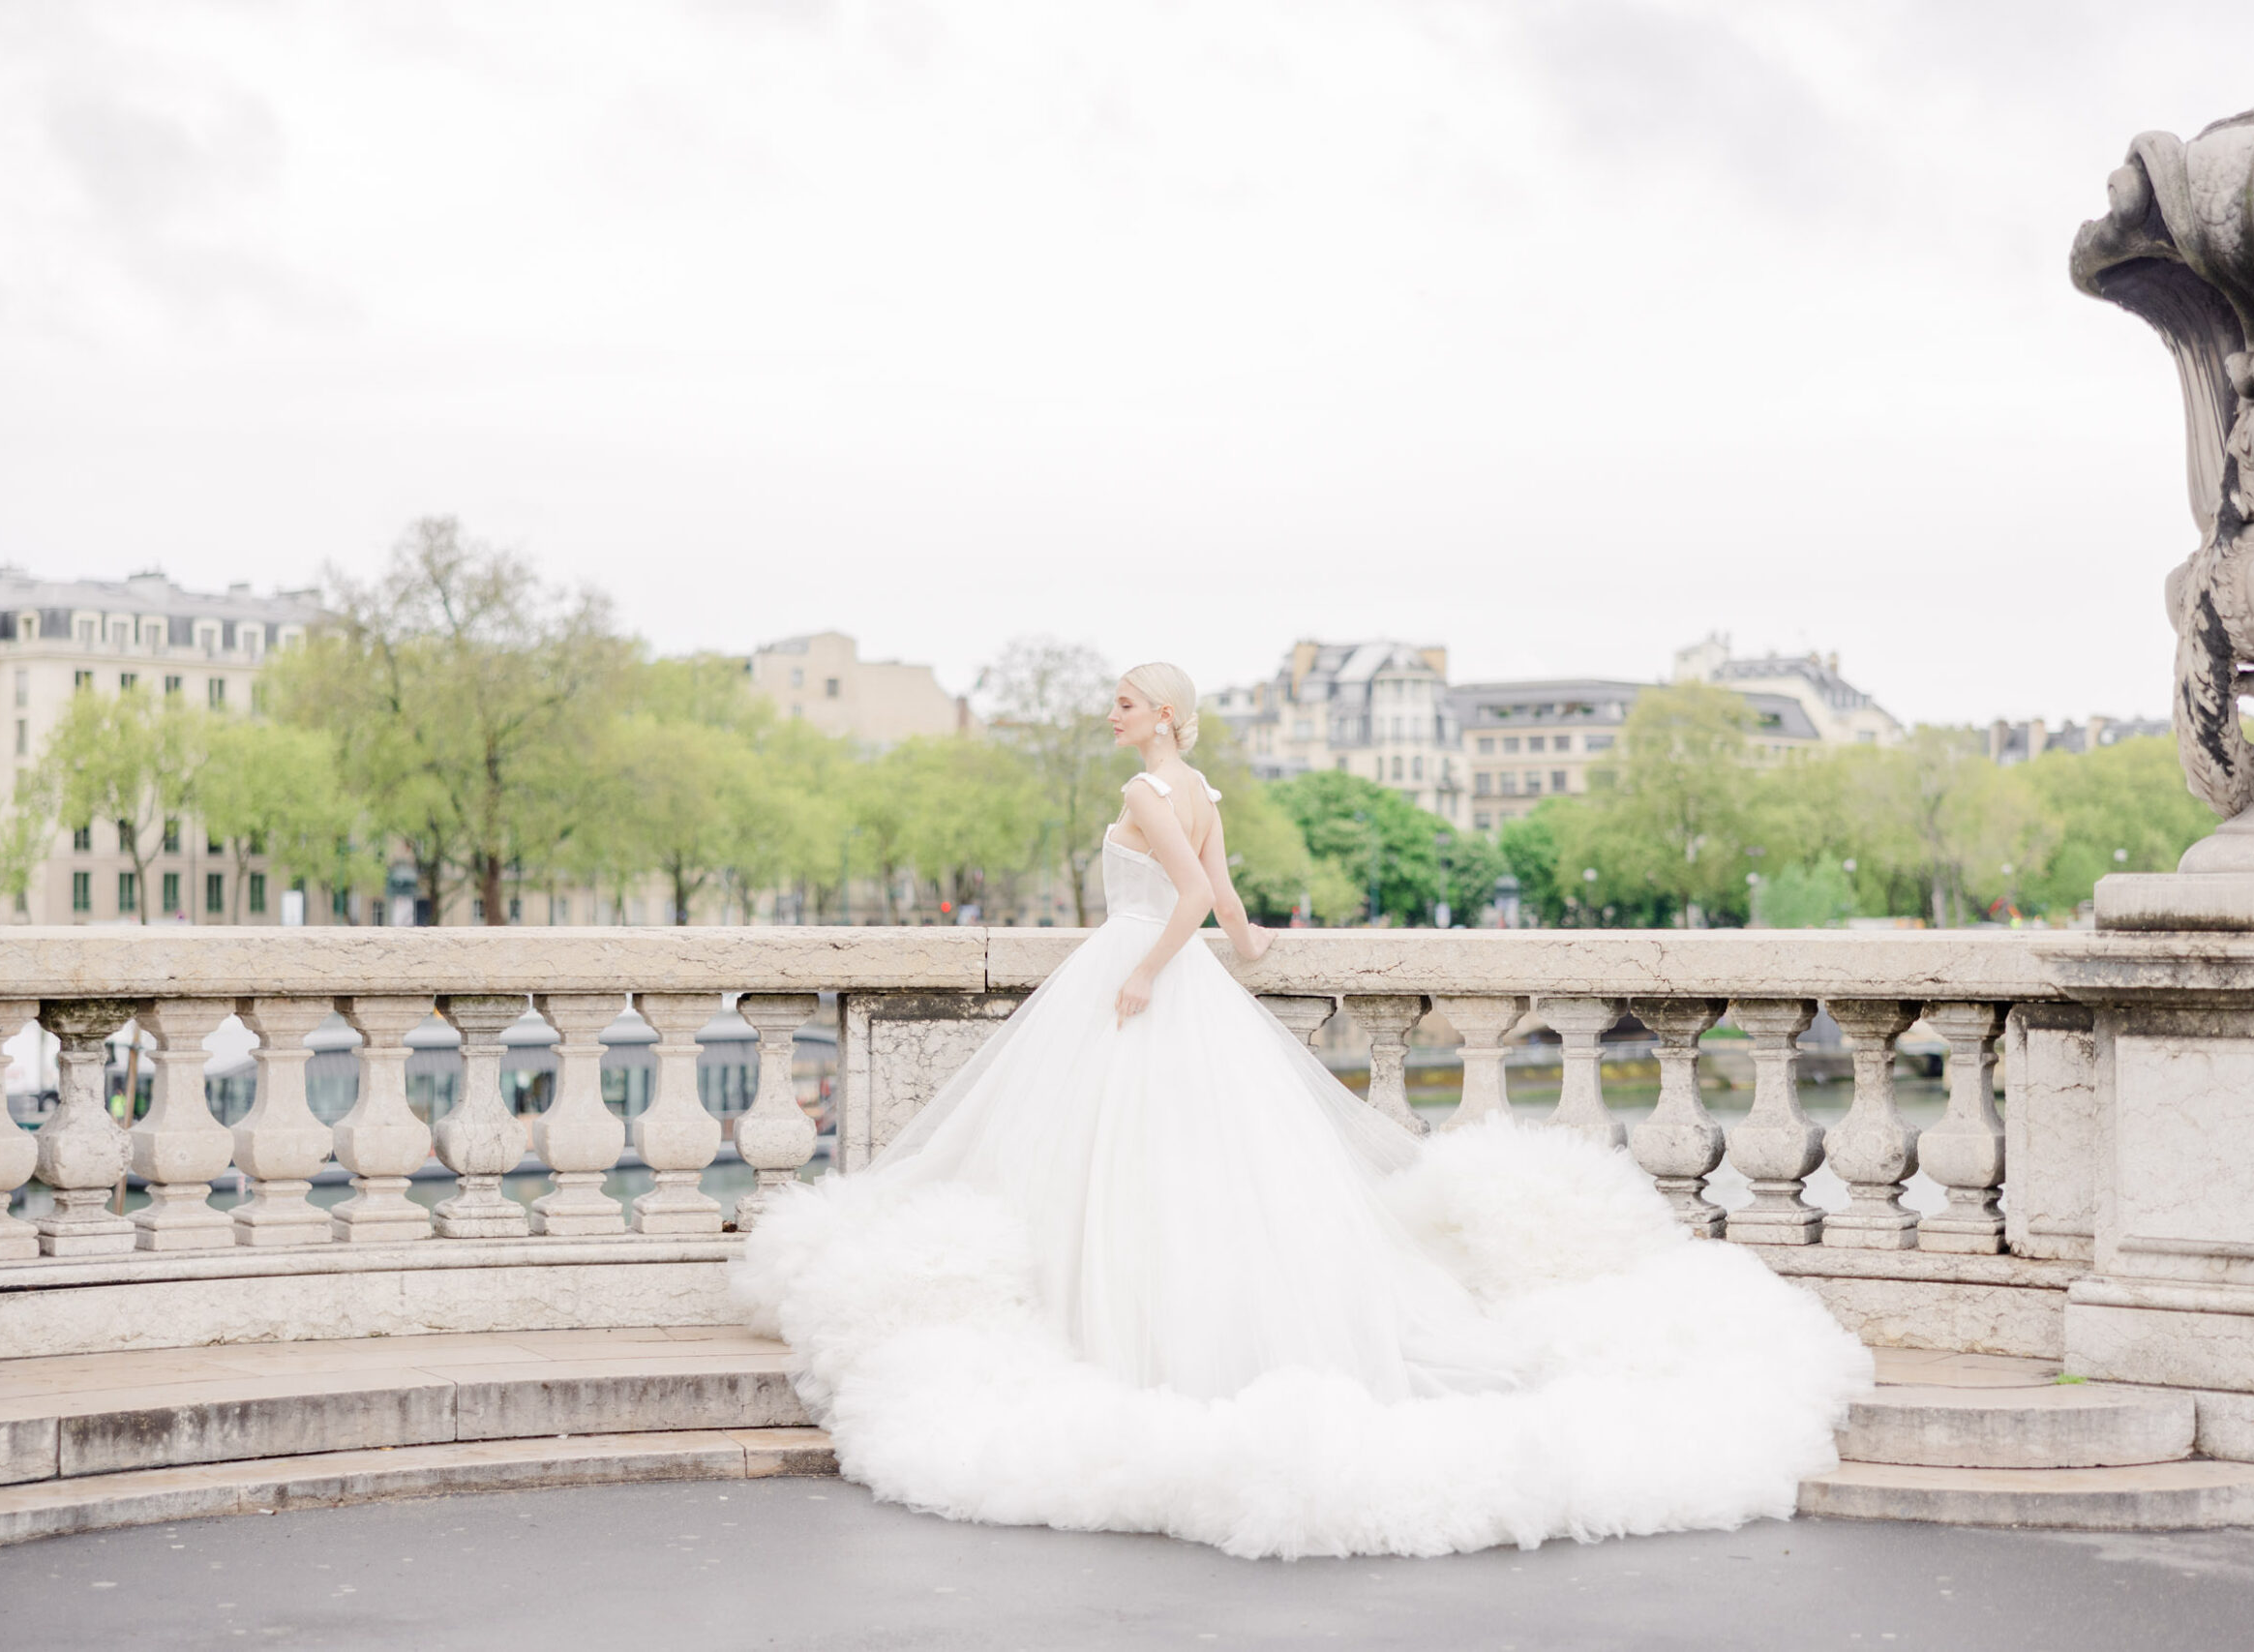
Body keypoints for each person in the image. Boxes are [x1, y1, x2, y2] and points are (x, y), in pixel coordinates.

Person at [734, 661, 1873, 1559]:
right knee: (1205, 1169)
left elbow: (1180, 892)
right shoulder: (1200, 790)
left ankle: (1122, 1338)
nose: (1113, 712)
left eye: (1126, 700)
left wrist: (1145, 970)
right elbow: (1220, 888)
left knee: (1111, 1163)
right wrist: (1245, 942)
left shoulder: (1143, 789)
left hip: (1139, 971)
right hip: (1191, 980)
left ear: (1163, 715)